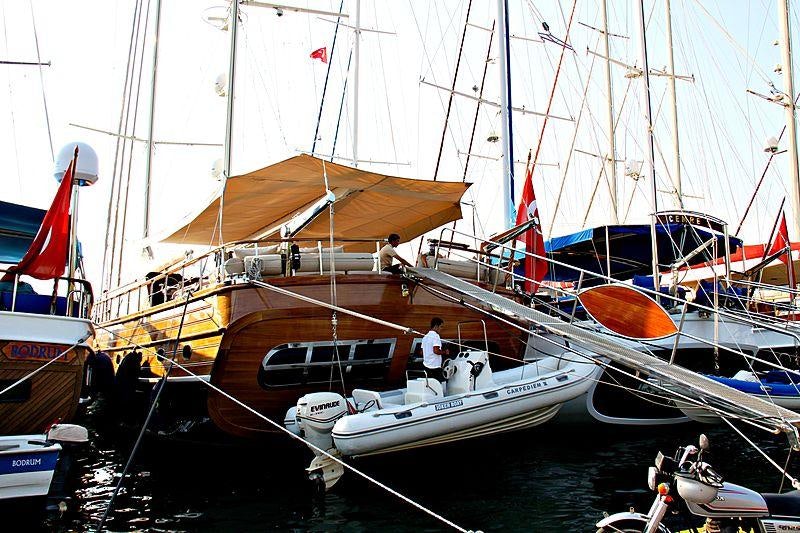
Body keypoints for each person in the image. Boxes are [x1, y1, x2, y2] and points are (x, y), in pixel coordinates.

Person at [421, 317, 449, 382]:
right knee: (439, 383)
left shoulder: (425, 337)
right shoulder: (436, 336)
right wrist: (445, 352)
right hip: (434, 367)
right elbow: (436, 351)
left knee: (430, 384)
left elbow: (421, 352)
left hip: (426, 366)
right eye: (441, 327)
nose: (441, 329)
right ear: (436, 326)